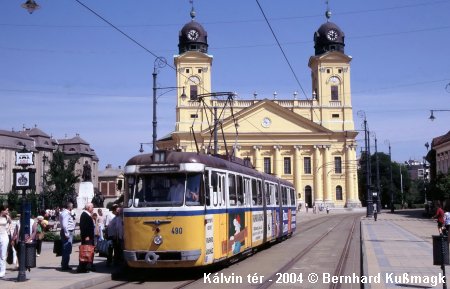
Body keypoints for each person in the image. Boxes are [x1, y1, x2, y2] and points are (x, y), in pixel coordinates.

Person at [77, 203, 95, 273]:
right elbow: (83, 227)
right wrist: (86, 236)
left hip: (89, 237)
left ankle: (88, 266)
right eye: (92, 207)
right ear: (88, 208)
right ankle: (83, 267)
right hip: (87, 237)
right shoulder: (84, 215)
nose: (93, 208)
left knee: (89, 251)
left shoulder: (87, 215)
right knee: (85, 252)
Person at [59, 201, 75, 271]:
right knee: (67, 249)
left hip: (67, 231)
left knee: (67, 249)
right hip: (68, 232)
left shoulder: (64, 212)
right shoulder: (66, 213)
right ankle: (65, 266)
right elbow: (65, 225)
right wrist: (67, 234)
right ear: (70, 207)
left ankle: (64, 264)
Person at [0, 204, 11, 278]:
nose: (7, 211)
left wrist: (8, 229)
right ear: (2, 210)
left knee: (3, 255)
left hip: (4, 236)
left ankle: (2, 271)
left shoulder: (7, 217)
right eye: (6, 210)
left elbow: (10, 222)